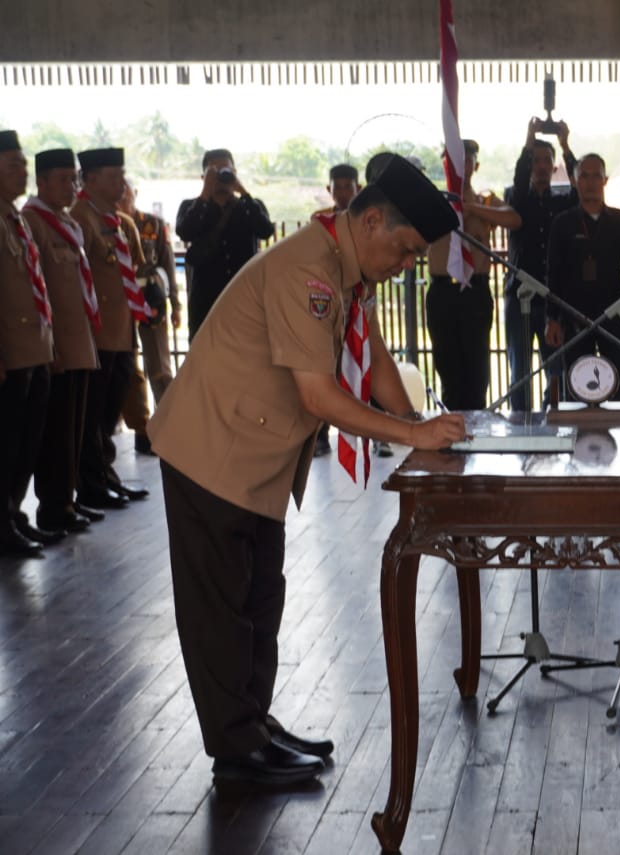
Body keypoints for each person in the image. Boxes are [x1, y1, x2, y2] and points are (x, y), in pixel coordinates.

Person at [147, 154, 466, 786]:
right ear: (371, 222)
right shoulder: (310, 270)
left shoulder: (343, 268)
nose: (408, 263)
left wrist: (420, 426)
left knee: (260, 596)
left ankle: (252, 724)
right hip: (213, 449)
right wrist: (411, 435)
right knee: (220, 606)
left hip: (254, 455)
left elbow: (375, 360)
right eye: (405, 248)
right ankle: (236, 751)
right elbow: (320, 397)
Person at [22, 148, 101, 536]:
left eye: (74, 179)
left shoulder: (67, 222)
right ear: (42, 182)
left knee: (74, 429)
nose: (71, 187)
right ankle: (54, 505)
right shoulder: (33, 222)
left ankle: (67, 498)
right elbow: (36, 288)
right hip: (57, 346)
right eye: (63, 179)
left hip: (79, 340)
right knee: (55, 432)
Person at [69, 146, 150, 510]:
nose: (122, 183)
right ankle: (91, 483)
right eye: (114, 176)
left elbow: (132, 273)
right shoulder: (80, 219)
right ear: (91, 179)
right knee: (92, 417)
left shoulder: (118, 221)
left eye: (122, 175)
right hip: (97, 335)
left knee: (109, 413)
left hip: (122, 333)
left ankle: (106, 476)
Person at [426, 139, 521, 410]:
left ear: (475, 166)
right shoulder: (434, 201)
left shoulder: (485, 200)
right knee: (447, 365)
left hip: (475, 291)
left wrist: (470, 209)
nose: (461, 166)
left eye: (467, 161)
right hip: (443, 291)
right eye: (454, 160)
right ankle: (452, 422)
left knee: (477, 369)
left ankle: (477, 422)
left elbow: (514, 219)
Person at [545, 153, 620, 401]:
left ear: (605, 180)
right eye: (584, 176)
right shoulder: (562, 223)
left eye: (596, 176)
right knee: (577, 387)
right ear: (575, 181)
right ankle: (578, 427)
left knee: (617, 384)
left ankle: (618, 426)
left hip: (614, 313)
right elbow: (554, 274)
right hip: (574, 314)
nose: (590, 183)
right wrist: (552, 319)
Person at [0, 131, 57, 557]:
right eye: (13, 164)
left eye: (23, 164)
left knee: (27, 442)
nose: (22, 171)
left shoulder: (14, 218)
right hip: (11, 353)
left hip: (34, 349)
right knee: (7, 443)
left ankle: (13, 512)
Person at [503, 118, 578, 410]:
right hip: (519, 295)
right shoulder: (516, 196)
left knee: (556, 368)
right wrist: (529, 137)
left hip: (552, 301)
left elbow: (580, 186)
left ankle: (554, 418)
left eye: (547, 160)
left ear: (555, 166)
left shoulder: (563, 201)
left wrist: (565, 145)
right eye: (536, 161)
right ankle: (520, 422)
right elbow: (520, 179)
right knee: (519, 369)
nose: (542, 166)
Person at [176, 149, 274, 339]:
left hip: (245, 297)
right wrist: (205, 193)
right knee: (205, 350)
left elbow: (265, 230)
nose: (222, 176)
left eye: (226, 170)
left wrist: (243, 191)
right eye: (215, 171)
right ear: (204, 177)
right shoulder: (191, 206)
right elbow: (185, 231)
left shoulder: (249, 206)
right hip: (206, 300)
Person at [119, 179, 179, 455]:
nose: (122, 196)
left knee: (160, 366)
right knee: (130, 368)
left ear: (135, 193)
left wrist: (175, 303)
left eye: (126, 191)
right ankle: (142, 429)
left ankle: (169, 426)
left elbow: (167, 263)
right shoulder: (109, 225)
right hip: (120, 304)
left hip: (150, 300)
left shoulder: (152, 224)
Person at [312, 163, 362, 457]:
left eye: (348, 187)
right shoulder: (320, 221)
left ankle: (375, 432)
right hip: (329, 302)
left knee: (362, 359)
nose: (343, 193)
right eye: (338, 187)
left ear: (358, 188)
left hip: (357, 299)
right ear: (329, 190)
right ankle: (319, 434)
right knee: (325, 366)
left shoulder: (366, 221)